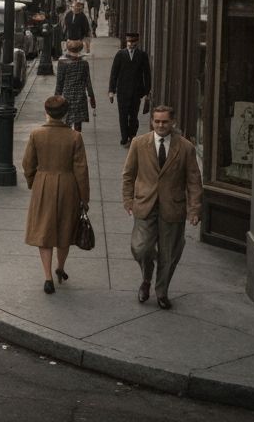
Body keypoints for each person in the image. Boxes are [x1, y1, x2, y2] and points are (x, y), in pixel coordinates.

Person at [122, 105, 204, 310]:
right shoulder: (139, 143)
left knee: (169, 254)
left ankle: (161, 292)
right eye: (157, 121)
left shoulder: (185, 147)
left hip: (172, 207)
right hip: (145, 204)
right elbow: (128, 175)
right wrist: (128, 200)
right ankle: (146, 279)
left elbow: (194, 181)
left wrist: (194, 209)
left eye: (165, 121)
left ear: (173, 122)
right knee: (141, 248)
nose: (160, 125)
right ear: (151, 122)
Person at [23, 95, 91, 294]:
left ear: (47, 112)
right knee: (64, 229)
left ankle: (47, 277)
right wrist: (84, 197)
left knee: (44, 230)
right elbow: (81, 169)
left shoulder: (36, 135)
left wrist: (32, 182)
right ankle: (60, 268)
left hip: (43, 183)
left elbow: (28, 164)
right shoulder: (75, 137)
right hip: (68, 185)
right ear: (66, 114)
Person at [108, 32, 152, 147]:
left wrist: (147, 92)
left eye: (133, 42)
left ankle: (132, 135)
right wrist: (111, 91)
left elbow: (147, 74)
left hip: (136, 92)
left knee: (133, 115)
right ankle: (124, 138)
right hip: (122, 91)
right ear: (126, 42)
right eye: (129, 42)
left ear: (137, 42)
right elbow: (114, 73)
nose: (131, 44)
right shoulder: (120, 55)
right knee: (123, 115)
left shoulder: (142, 55)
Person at [53, 39, 96, 131]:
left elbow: (59, 82)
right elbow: (88, 82)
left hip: (67, 95)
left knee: (67, 121)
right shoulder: (84, 63)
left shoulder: (62, 62)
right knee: (78, 122)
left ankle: (68, 140)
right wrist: (91, 97)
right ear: (80, 49)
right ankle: (77, 140)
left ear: (68, 49)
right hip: (80, 95)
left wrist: (56, 97)